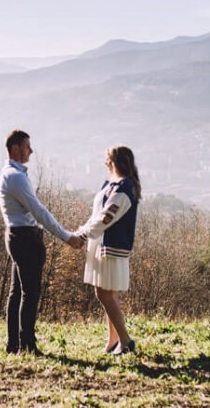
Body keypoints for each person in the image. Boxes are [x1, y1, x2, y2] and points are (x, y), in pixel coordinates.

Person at [0, 129, 83, 355]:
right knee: (29, 292)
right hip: (24, 237)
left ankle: (14, 343)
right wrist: (67, 236)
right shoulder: (15, 177)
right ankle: (27, 345)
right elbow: (39, 212)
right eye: (27, 147)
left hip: (17, 235)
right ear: (16, 149)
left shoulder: (11, 174)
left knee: (17, 292)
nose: (31, 151)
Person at [77, 145, 141, 355]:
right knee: (108, 294)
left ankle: (125, 340)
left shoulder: (124, 189)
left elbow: (106, 217)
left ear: (114, 162)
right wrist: (83, 231)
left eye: (108, 160)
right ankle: (113, 341)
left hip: (111, 248)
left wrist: (83, 235)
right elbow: (98, 214)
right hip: (102, 245)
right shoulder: (113, 185)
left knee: (104, 294)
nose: (105, 163)